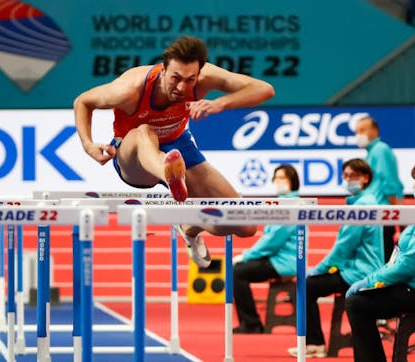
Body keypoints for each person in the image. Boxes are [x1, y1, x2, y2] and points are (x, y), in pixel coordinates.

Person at [74, 35, 275, 268]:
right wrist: (88, 145)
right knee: (144, 132)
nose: (181, 87)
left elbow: (265, 89)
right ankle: (170, 174)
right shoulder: (129, 89)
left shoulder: (205, 77)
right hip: (135, 155)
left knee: (245, 225)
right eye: (175, 78)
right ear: (163, 70)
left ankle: (189, 226)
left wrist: (220, 103)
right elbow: (83, 102)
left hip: (178, 146)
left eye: (190, 80)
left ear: (199, 73)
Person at [287, 158, 384, 358]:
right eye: (345, 176)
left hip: (359, 272)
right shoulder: (365, 200)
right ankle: (315, 342)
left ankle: (315, 344)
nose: (348, 180)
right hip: (359, 268)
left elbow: (343, 249)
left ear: (365, 178)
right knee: (309, 282)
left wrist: (318, 269)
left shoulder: (361, 206)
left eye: (353, 176)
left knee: (306, 285)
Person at [345, 165, 415, 362]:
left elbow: (407, 266)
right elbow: (399, 258)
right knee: (358, 300)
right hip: (406, 283)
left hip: (410, 287)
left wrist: (368, 281)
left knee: (356, 303)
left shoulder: (363, 206)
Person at [232, 164, 301, 334]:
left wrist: (246, 256)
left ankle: (251, 323)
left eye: (282, 178)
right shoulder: (282, 203)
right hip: (277, 259)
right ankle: (251, 322)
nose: (278, 181)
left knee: (236, 272)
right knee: (237, 270)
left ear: (293, 181)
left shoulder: (291, 205)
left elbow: (272, 241)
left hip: (285, 263)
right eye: (276, 178)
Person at [355, 116, 404, 263]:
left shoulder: (380, 150)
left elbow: (389, 182)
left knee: (385, 257)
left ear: (375, 131)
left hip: (383, 213)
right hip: (379, 213)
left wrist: (398, 214)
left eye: (362, 130)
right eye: (357, 131)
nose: (359, 134)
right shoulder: (373, 151)